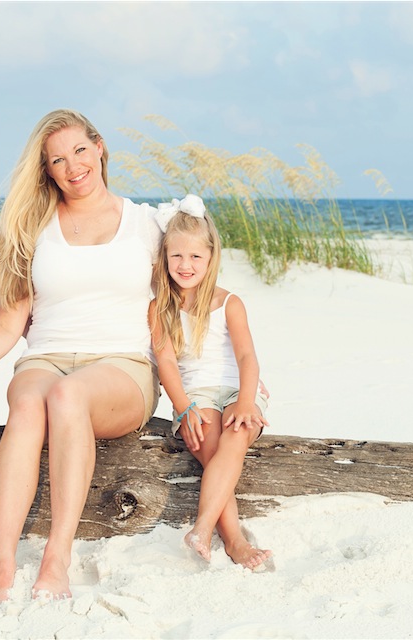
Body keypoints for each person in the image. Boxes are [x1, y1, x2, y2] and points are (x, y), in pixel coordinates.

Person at [0, 109, 163, 605]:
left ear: (99, 147)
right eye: (58, 160)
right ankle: (4, 562)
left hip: (122, 367)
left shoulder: (147, 223)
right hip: (47, 357)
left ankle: (56, 557)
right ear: (47, 171)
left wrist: (233, 374)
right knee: (31, 402)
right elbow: (11, 321)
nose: (73, 166)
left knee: (68, 394)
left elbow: (190, 298)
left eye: (79, 150)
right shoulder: (34, 229)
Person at [147, 194, 272, 569]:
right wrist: (183, 407)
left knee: (235, 437)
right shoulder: (160, 309)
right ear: (165, 258)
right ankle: (234, 540)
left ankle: (203, 527)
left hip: (239, 389)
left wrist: (247, 401)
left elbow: (248, 357)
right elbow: (166, 362)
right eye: (177, 256)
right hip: (195, 395)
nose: (186, 265)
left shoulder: (229, 302)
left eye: (196, 257)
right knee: (211, 444)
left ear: (211, 258)